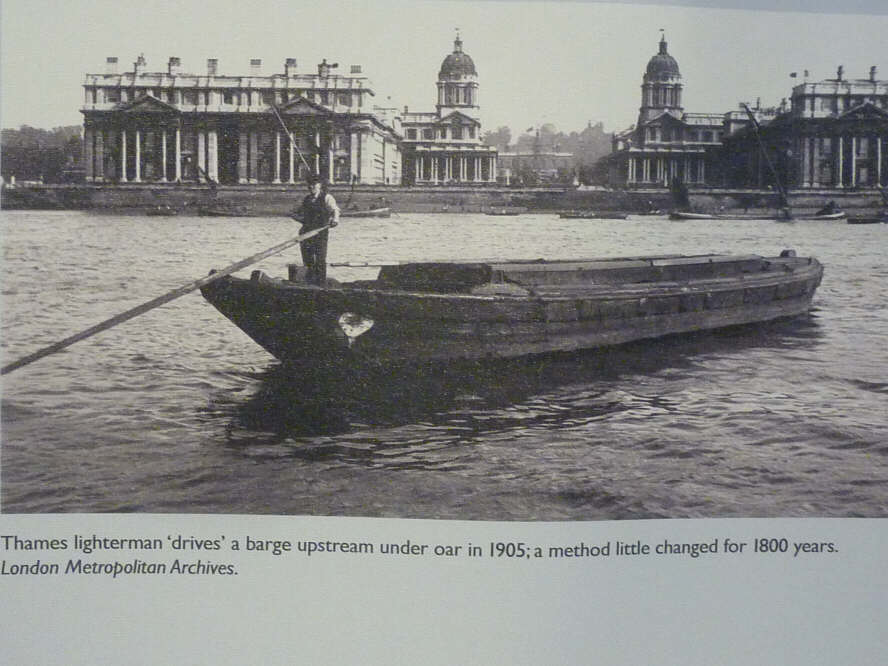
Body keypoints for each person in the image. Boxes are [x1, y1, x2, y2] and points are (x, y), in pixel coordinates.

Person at [294, 174, 339, 285]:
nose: (311, 187)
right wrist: (298, 219)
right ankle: (310, 282)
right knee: (307, 258)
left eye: (314, 184)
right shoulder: (306, 199)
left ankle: (321, 283)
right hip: (306, 233)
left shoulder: (327, 197)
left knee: (320, 258)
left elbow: (335, 210)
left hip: (320, 232)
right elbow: (296, 212)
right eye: (309, 185)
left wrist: (335, 220)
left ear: (320, 185)